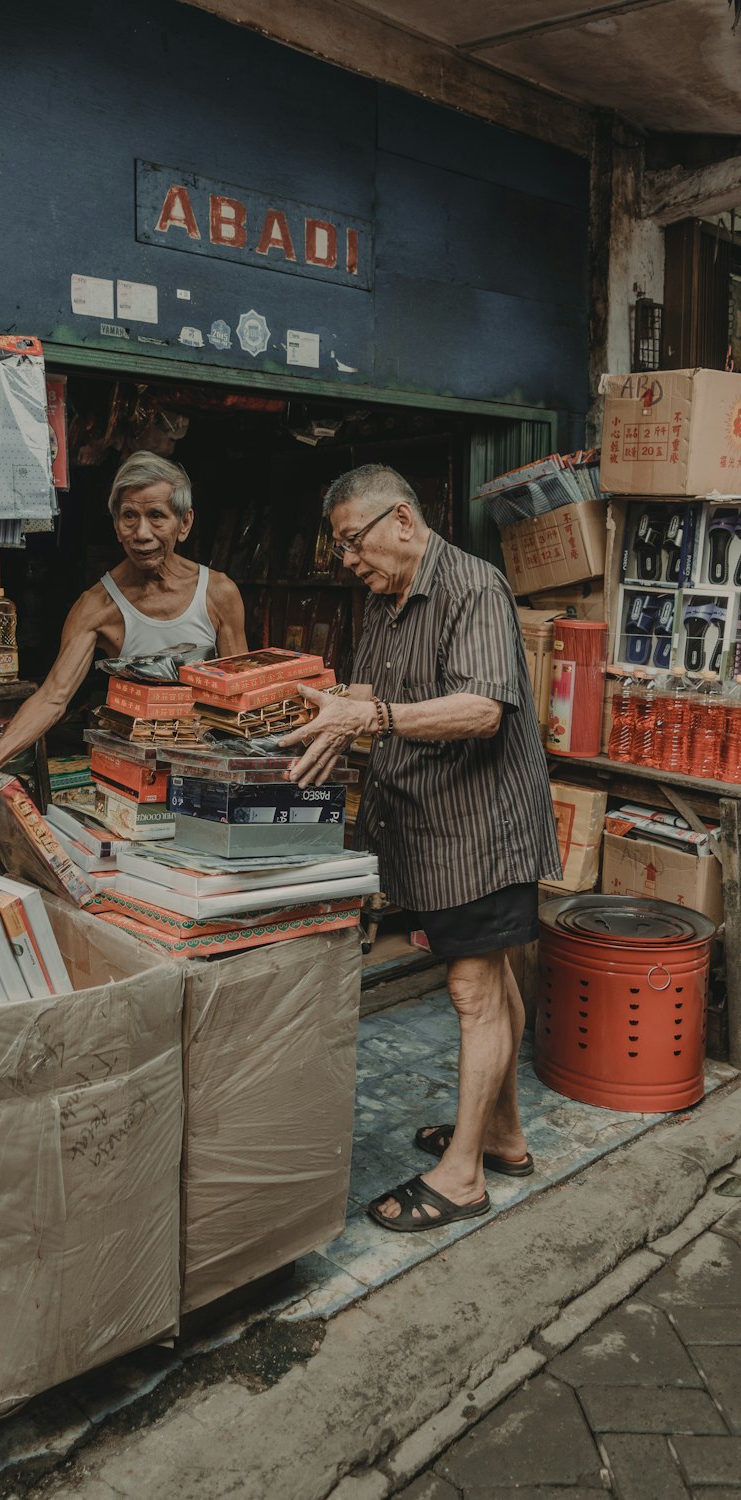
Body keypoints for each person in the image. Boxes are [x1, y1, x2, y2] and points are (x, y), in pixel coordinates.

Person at [279, 464, 561, 1234]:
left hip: (480, 829)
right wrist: (330, 710)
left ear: (401, 520)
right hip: (430, 827)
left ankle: (464, 1174)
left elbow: (480, 709)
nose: (348, 561)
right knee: (490, 979)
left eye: (351, 543)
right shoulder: (388, 601)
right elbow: (376, 698)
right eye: (339, 550)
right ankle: (502, 1136)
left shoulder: (473, 587)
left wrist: (369, 721)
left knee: (473, 991)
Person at [0, 450, 247, 774]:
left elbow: (242, 695)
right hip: (132, 775)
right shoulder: (97, 606)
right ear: (117, 527)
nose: (142, 533)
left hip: (204, 772)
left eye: (157, 515)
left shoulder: (218, 593)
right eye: (129, 516)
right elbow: (53, 697)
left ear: (184, 523)